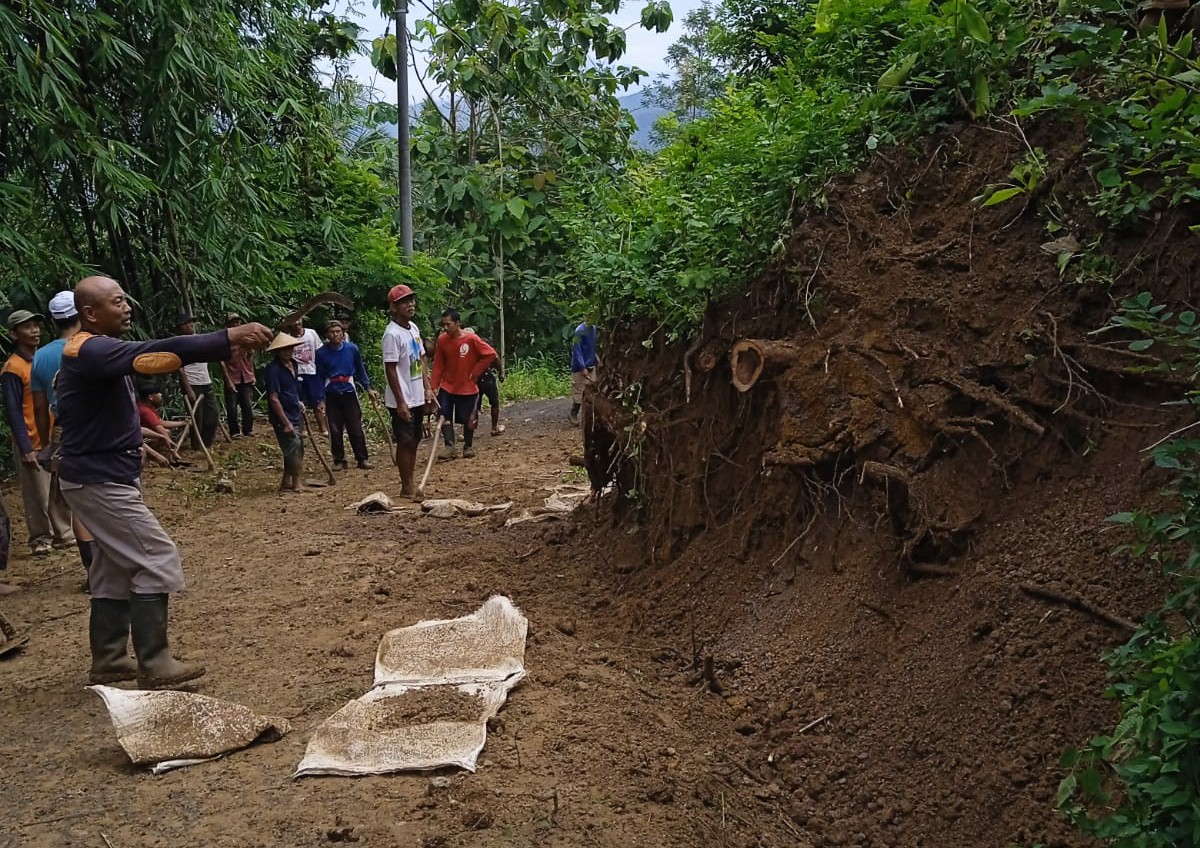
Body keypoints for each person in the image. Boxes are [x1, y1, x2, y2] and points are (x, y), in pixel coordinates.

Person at [56, 276, 272, 689]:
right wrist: (227, 336)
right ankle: (154, 663)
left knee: (113, 566)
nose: (127, 307)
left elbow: (154, 359)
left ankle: (109, 657)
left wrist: (226, 345)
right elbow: (153, 350)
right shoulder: (92, 350)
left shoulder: (95, 351)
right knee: (155, 556)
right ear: (89, 313)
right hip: (99, 480)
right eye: (117, 301)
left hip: (98, 476)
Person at [31, 291, 95, 577]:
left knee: (79, 501)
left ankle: (92, 569)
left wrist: (46, 442)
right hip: (99, 426)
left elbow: (40, 407)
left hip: (67, 430)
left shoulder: (41, 357)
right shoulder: (93, 346)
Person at [2, 309, 73, 556]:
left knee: (58, 487)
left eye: (36, 325)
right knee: (37, 494)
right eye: (27, 327)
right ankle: (40, 538)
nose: (34, 331)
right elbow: (13, 411)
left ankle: (64, 533)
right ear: (13, 334)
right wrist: (25, 447)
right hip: (30, 438)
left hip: (53, 434)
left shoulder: (41, 360)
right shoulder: (13, 367)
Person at [382, 284, 434, 498]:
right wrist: (401, 401)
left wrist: (427, 387)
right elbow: (391, 368)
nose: (410, 304)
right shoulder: (391, 335)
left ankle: (411, 482)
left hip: (416, 394)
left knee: (415, 439)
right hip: (401, 398)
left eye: (411, 300)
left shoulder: (413, 328)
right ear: (394, 307)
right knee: (405, 441)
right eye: (405, 301)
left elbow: (421, 358)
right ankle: (406, 486)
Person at [431, 308, 497, 461]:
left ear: (458, 323)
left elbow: (490, 354)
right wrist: (434, 386)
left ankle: (468, 446)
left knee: (468, 418)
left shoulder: (471, 339)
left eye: (449, 324)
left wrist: (475, 373)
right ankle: (449, 446)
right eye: (444, 325)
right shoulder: (442, 340)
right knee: (443, 414)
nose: (446, 328)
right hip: (448, 385)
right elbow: (438, 365)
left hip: (467, 387)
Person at [316, 320, 372, 471]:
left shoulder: (352, 349)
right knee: (335, 429)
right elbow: (319, 377)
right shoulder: (321, 353)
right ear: (327, 335)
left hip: (349, 389)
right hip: (331, 392)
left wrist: (368, 387)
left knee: (355, 427)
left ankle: (362, 458)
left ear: (343, 333)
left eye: (338, 331)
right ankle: (339, 460)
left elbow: (360, 369)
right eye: (332, 332)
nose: (335, 335)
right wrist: (320, 398)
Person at [264, 333, 306, 492]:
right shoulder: (273, 369)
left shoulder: (294, 364)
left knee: (297, 447)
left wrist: (299, 403)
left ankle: (286, 481)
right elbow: (274, 397)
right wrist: (285, 422)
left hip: (295, 411)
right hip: (283, 416)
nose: (287, 351)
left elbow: (294, 388)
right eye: (283, 349)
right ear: (277, 351)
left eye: (289, 348)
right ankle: (296, 482)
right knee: (293, 447)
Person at [175, 313, 219, 450]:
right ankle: (196, 446)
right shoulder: (179, 343)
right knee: (196, 418)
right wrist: (188, 389)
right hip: (192, 383)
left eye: (191, 323)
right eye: (187, 324)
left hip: (206, 381)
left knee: (213, 414)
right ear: (181, 327)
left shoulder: (199, 340)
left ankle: (206, 443)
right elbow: (180, 369)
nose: (190, 325)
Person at [286, 316, 327, 437]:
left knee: (317, 401)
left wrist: (322, 369)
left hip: (312, 371)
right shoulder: (287, 337)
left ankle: (323, 428)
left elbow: (319, 350)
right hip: (296, 373)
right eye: (293, 321)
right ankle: (302, 429)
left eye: (298, 320)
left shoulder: (311, 333)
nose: (297, 323)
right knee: (298, 401)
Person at [220, 312, 256, 439]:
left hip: (245, 375)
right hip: (232, 376)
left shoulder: (245, 338)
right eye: (233, 322)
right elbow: (222, 362)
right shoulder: (224, 340)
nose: (236, 324)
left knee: (247, 405)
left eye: (237, 321)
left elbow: (251, 356)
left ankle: (248, 429)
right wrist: (227, 380)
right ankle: (234, 431)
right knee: (232, 407)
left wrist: (252, 373)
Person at [464, 328, 506, 437]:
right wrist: (501, 372)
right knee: (484, 404)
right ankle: (493, 428)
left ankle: (469, 432)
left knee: (473, 406)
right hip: (481, 378)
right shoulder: (475, 345)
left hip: (478, 378)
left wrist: (501, 371)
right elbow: (495, 357)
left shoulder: (468, 347)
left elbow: (494, 356)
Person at [137, 381, 187, 465]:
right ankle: (155, 457)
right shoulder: (146, 411)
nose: (161, 395)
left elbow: (159, 422)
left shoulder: (146, 406)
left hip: (142, 434)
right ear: (150, 397)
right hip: (140, 438)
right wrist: (172, 449)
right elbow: (160, 428)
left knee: (166, 433)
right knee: (166, 432)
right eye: (158, 393)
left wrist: (182, 423)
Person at [569, 321, 598, 426]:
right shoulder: (579, 331)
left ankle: (590, 418)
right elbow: (576, 350)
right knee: (579, 392)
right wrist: (582, 367)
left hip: (591, 364)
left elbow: (593, 347)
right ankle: (573, 414)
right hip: (580, 367)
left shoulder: (594, 329)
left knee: (592, 392)